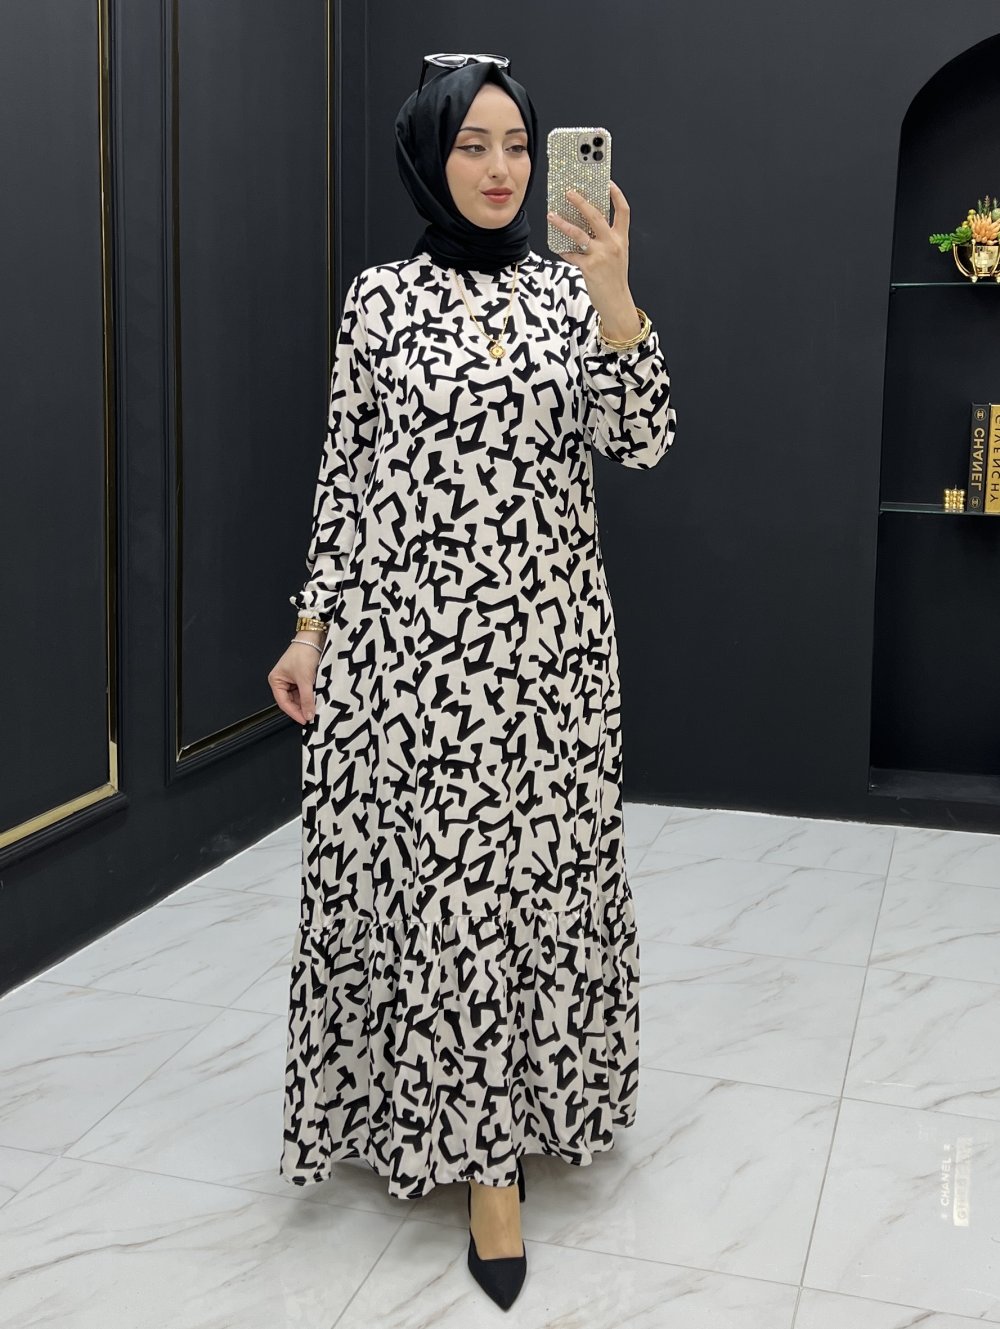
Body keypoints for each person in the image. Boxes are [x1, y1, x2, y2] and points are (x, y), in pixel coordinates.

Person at [267, 52, 677, 1312]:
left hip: (548, 663)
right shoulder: (379, 300)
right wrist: (309, 630)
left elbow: (643, 441)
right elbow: (347, 474)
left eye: (516, 145)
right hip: (405, 660)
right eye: (470, 145)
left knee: (530, 894)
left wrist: (616, 297)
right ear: (428, 156)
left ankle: (525, 1121)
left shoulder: (569, 291)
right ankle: (469, 1157)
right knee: (436, 898)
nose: (499, 169)